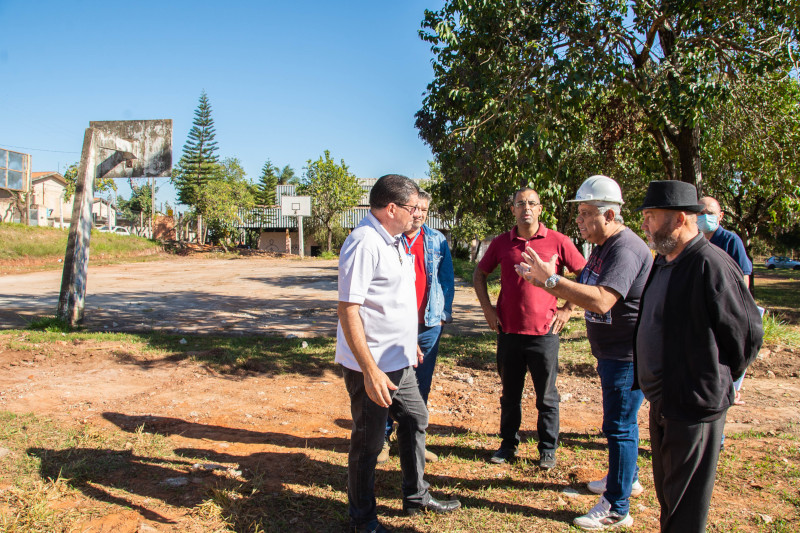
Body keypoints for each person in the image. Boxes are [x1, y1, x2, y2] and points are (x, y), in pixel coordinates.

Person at [517, 175, 652, 530]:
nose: (579, 220)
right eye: (579, 213)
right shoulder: (604, 247)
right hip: (613, 353)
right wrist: (544, 281)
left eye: (587, 212)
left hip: (626, 356)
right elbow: (586, 288)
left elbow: (604, 300)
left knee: (619, 426)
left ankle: (616, 507)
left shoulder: (624, 249)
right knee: (622, 424)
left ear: (609, 215)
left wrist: (551, 281)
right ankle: (625, 478)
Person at [634, 180, 763, 532]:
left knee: (686, 511)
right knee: (669, 499)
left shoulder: (711, 264)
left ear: (679, 219)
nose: (644, 223)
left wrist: (713, 376)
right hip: (664, 403)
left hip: (695, 405)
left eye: (651, 216)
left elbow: (747, 335)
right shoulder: (663, 262)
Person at [336, 174, 460, 533]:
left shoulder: (393, 240)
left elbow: (394, 303)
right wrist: (370, 369)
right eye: (410, 208)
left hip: (399, 360)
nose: (416, 215)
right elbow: (349, 310)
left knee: (415, 418)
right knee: (369, 441)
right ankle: (363, 519)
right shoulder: (364, 243)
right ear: (391, 209)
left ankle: (416, 496)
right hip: (371, 366)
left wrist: (408, 346)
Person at [473, 187, 586, 469]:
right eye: (520, 203)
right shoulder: (501, 243)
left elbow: (583, 273)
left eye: (532, 203)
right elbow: (479, 274)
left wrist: (568, 308)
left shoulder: (558, 241)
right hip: (508, 332)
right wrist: (488, 309)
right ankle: (508, 444)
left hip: (545, 334)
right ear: (512, 209)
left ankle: (548, 449)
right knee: (509, 395)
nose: (526, 207)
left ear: (540, 208)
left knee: (546, 396)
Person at [379, 189, 455, 464]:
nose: (419, 214)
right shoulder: (391, 240)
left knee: (421, 386)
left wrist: (443, 313)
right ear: (406, 210)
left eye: (424, 209)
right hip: (398, 328)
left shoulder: (437, 240)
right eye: (415, 209)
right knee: (391, 383)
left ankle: (412, 443)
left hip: (428, 325)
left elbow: (446, 280)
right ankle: (382, 440)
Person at [698, 196, 754, 411]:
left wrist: (734, 309)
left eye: (710, 213)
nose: (705, 217)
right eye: (700, 212)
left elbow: (743, 279)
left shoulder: (730, 240)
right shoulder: (693, 240)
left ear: (720, 216)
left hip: (725, 314)